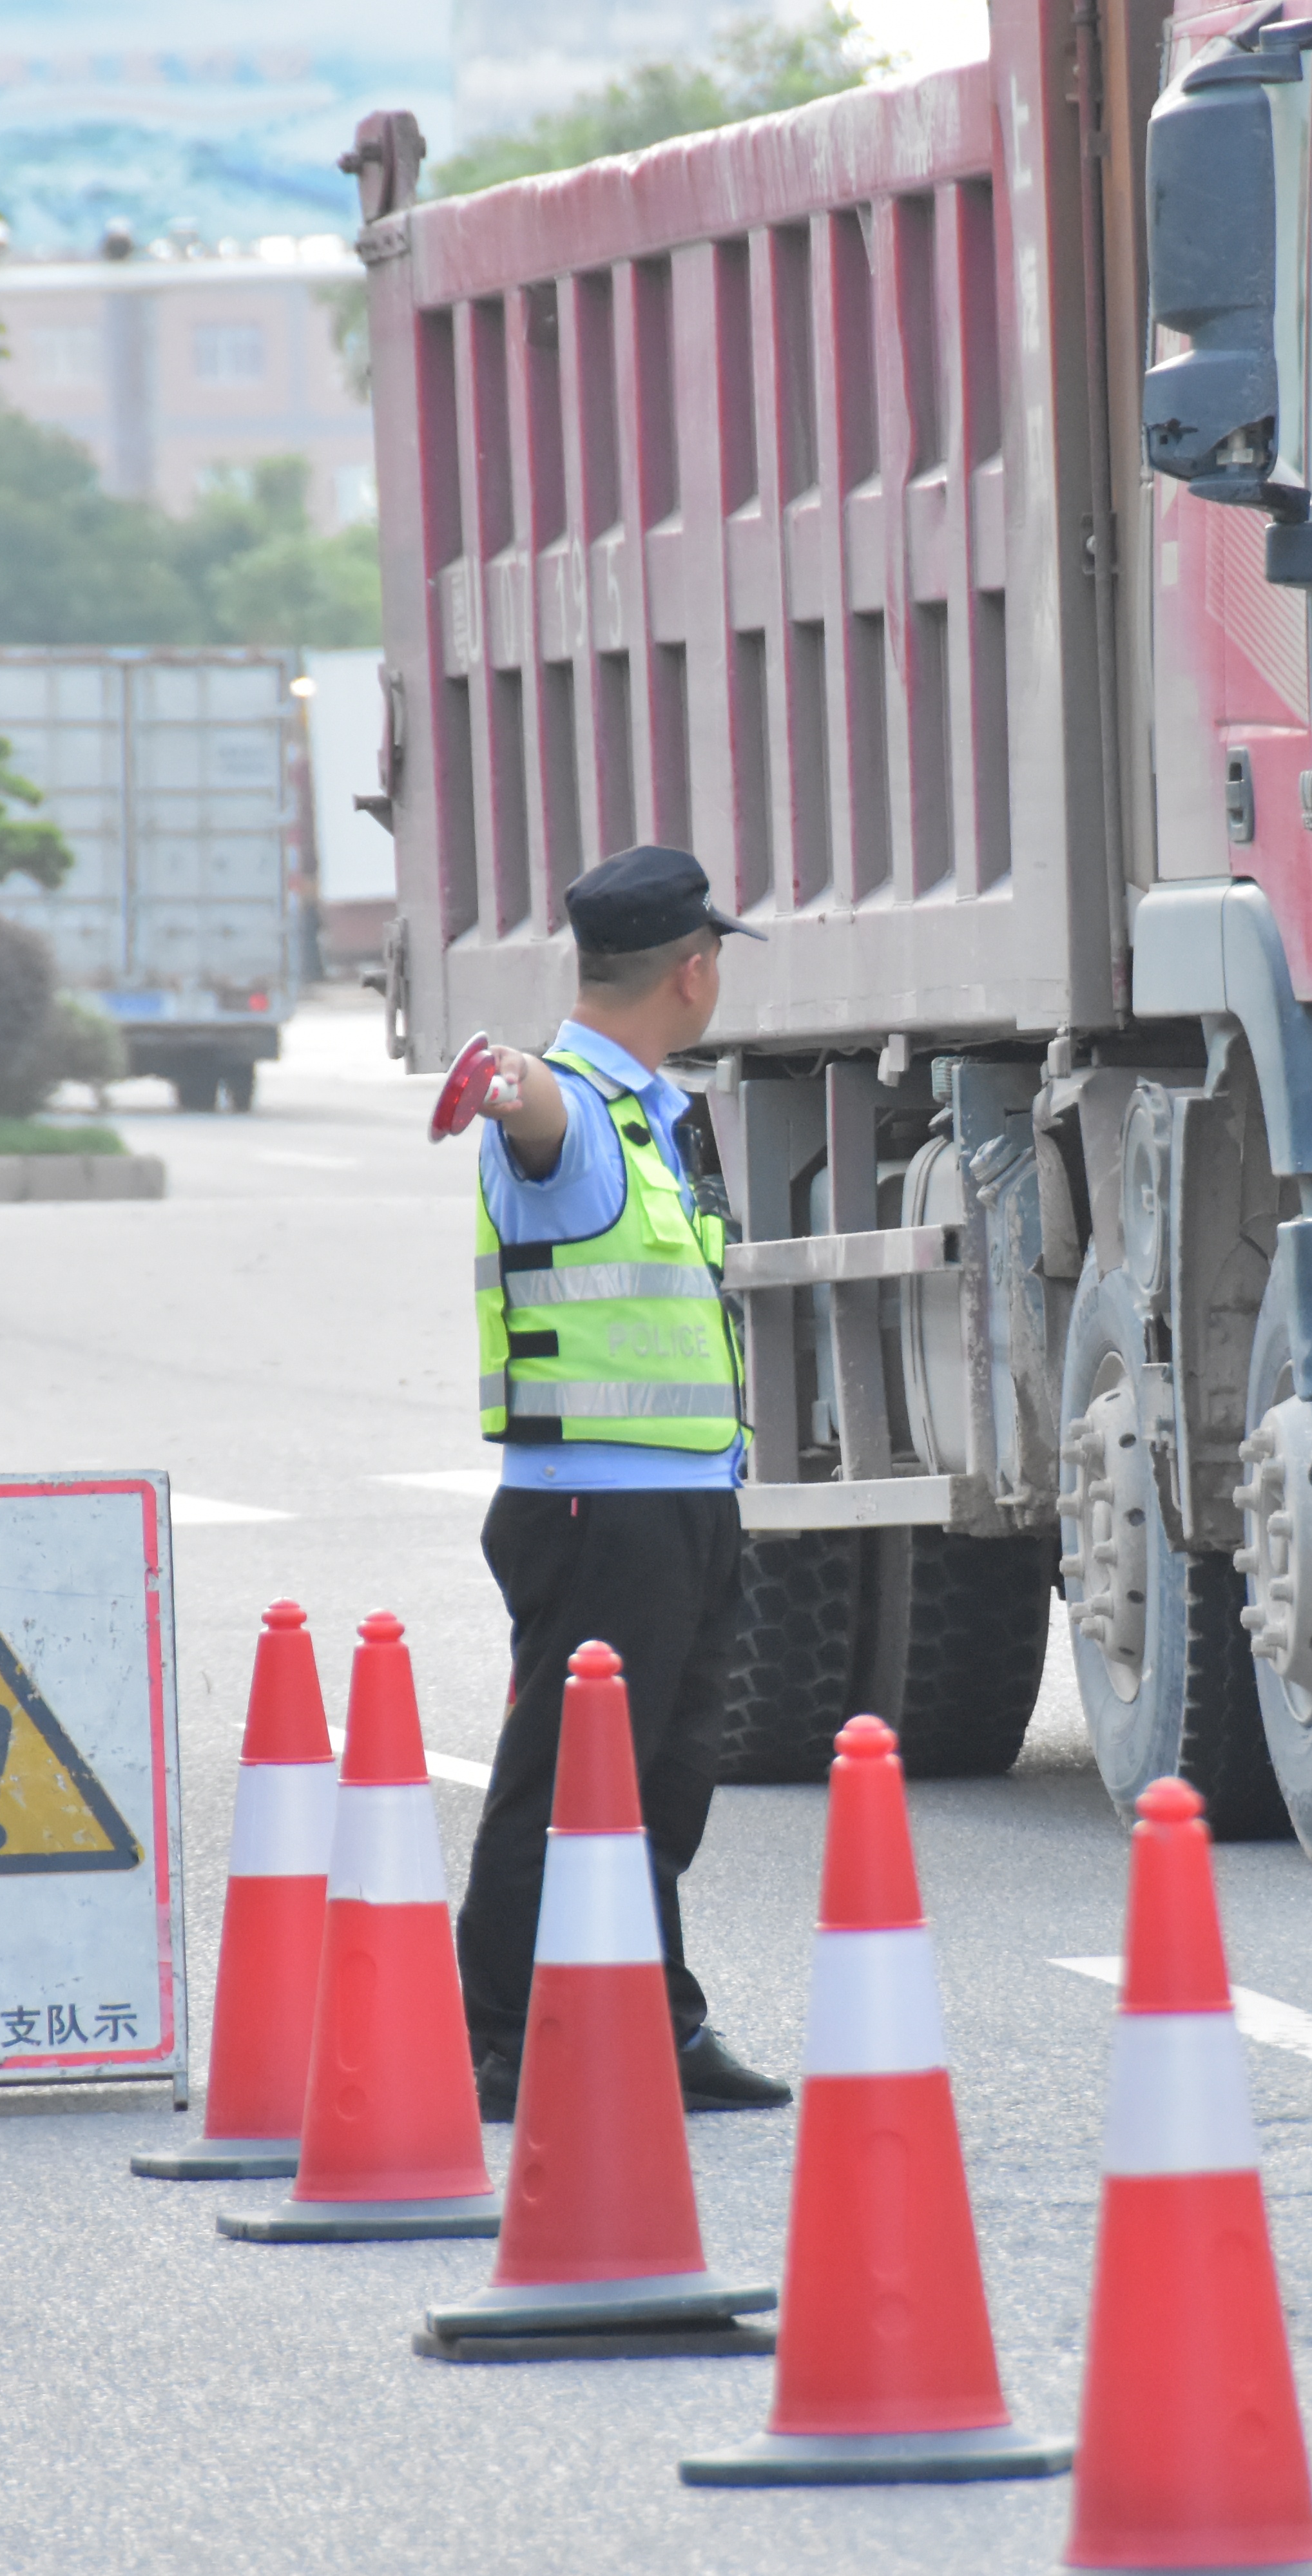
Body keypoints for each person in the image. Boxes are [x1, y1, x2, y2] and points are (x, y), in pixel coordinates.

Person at [453, 843, 792, 2122]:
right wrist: (503, 1079)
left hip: (683, 1499)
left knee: (658, 1779)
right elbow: (527, 1110)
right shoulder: (574, 1106)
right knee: (564, 1776)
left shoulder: (659, 1109)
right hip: (594, 1507)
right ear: (695, 971)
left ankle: (657, 2015)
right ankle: (497, 2039)